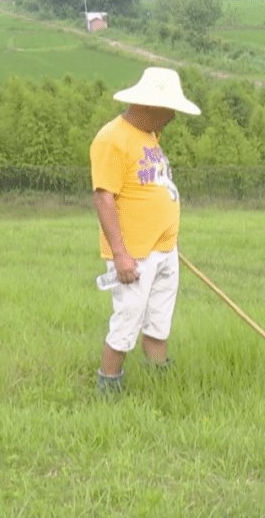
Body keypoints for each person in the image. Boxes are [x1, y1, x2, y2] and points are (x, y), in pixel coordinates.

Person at [90, 67, 201, 395]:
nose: (173, 117)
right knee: (127, 321)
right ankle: (108, 388)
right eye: (170, 111)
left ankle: (158, 382)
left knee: (159, 319)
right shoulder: (111, 138)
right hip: (134, 255)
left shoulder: (151, 134)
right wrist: (121, 254)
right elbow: (103, 197)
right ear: (150, 106)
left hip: (165, 249)